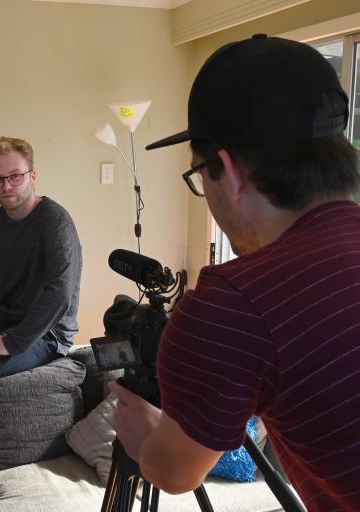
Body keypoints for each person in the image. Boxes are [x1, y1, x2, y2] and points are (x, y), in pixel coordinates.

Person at [108, 34, 360, 511]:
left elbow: (175, 472)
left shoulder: (234, 302)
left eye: (199, 176)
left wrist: (144, 434)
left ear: (227, 168)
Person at [0, 136, 82, 383]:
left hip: (48, 334)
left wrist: (11, 343)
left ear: (32, 176)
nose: (6, 186)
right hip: (5, 324)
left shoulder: (55, 222)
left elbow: (60, 293)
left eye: (15, 176)